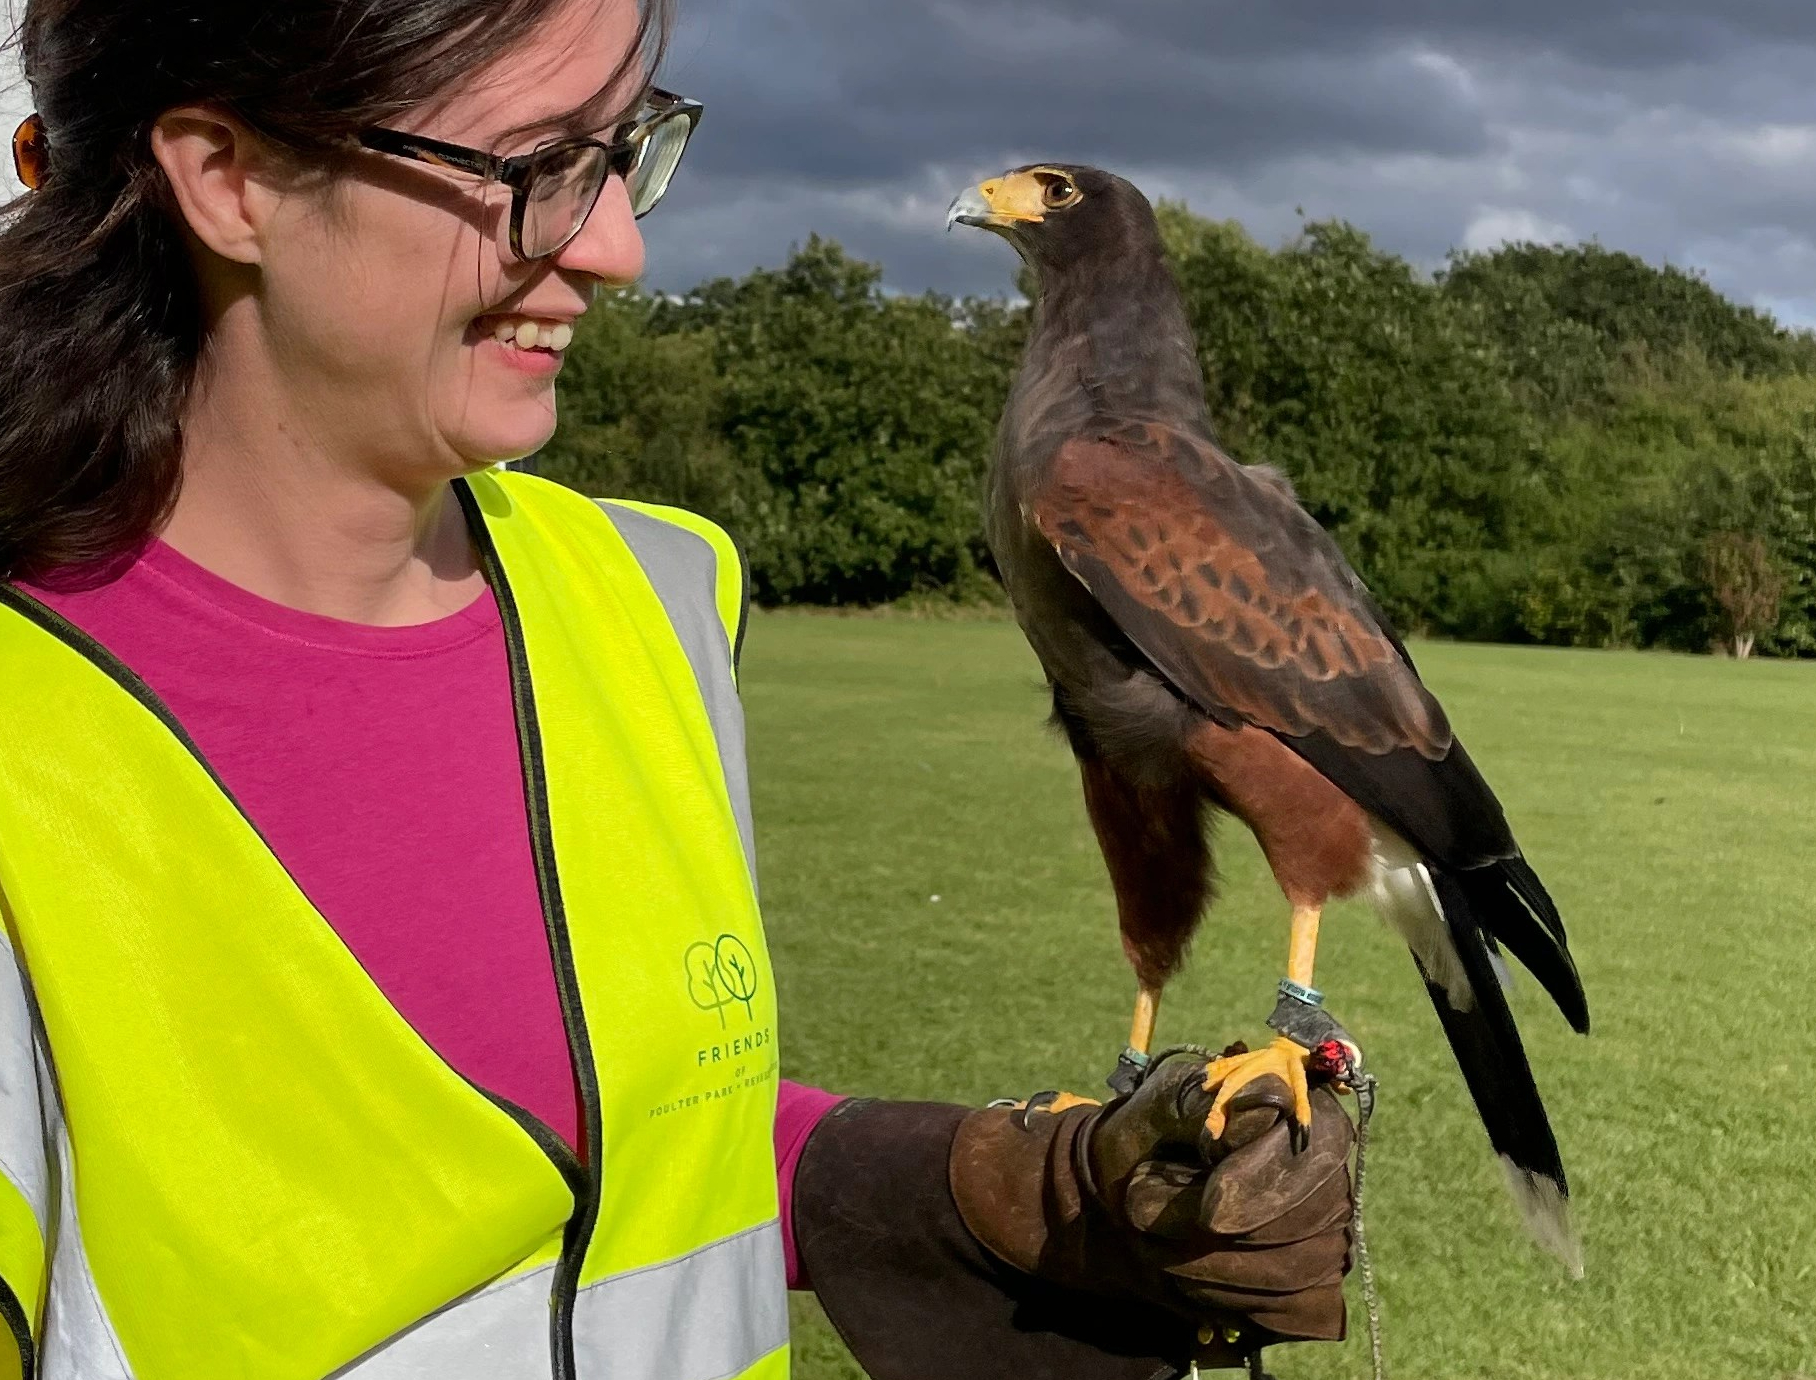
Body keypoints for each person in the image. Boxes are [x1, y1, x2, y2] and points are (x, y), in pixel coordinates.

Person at [0, 0, 1358, 1376]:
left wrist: (960, 1190)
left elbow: (625, 1145)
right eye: (532, 171)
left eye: (624, 153)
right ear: (228, 178)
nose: (617, 249)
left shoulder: (653, 597)